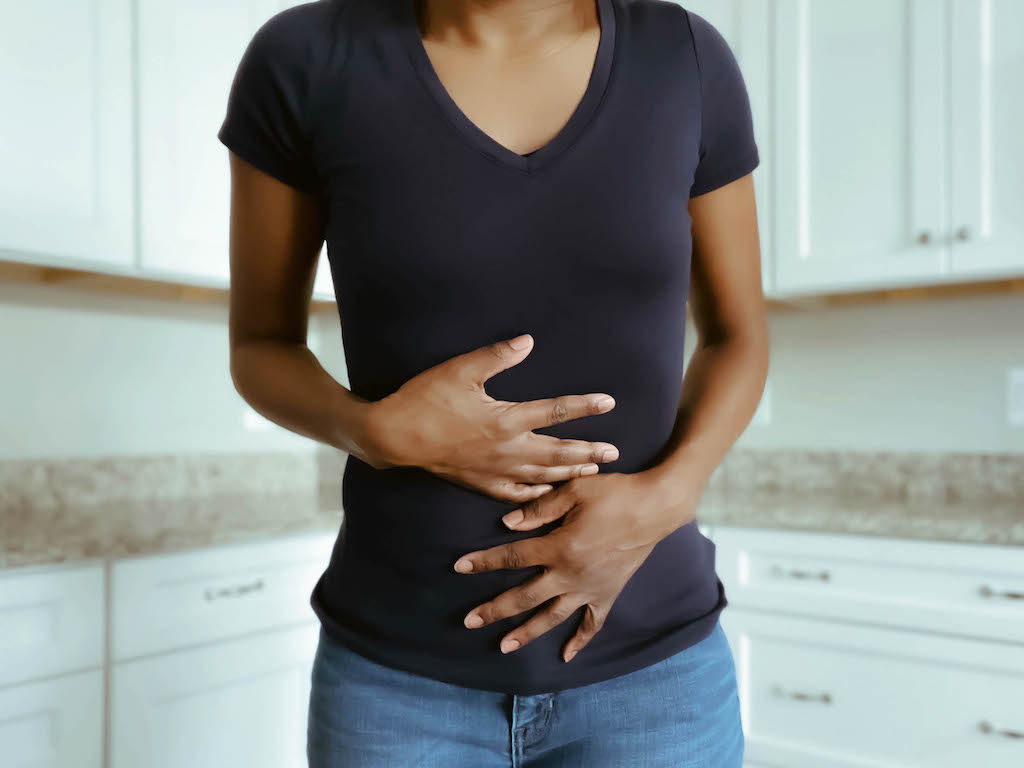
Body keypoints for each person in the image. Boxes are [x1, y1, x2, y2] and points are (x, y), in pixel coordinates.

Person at [218, 0, 768, 765]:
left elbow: (740, 336)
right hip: (396, 686)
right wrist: (372, 432)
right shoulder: (307, 57)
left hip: (655, 681)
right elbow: (260, 345)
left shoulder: (685, 56)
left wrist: (668, 497)